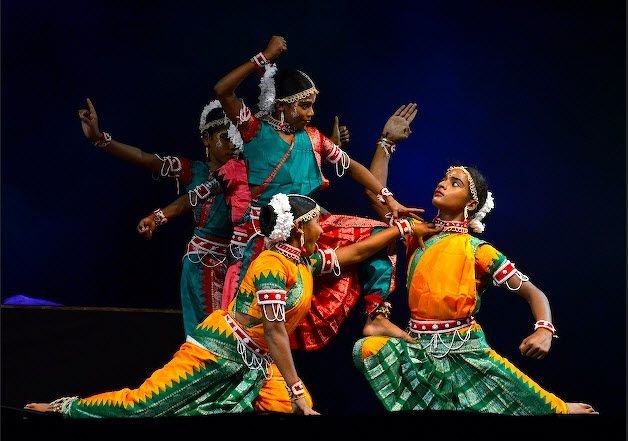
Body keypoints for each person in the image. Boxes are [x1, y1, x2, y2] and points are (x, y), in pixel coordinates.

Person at [24, 193, 439, 417]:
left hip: (256, 362)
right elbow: (276, 331)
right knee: (145, 405)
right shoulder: (272, 264)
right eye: (315, 218)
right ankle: (64, 409)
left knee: (291, 416)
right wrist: (296, 388)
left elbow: (354, 254)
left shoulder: (304, 261)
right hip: (217, 350)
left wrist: (401, 228)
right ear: (298, 228)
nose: (321, 223)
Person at [213, 35, 424, 351]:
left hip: (309, 230)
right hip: (263, 238)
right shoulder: (254, 129)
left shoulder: (314, 138)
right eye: (305, 105)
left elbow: (352, 167)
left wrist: (390, 199)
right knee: (249, 332)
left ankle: (377, 314)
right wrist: (263, 57)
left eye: (313, 105)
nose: (312, 112)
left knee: (382, 235)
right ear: (283, 105)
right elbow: (222, 90)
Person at [353, 157, 598, 415]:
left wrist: (544, 330)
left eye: (454, 183)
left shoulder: (478, 251)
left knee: (534, 402)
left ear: (471, 204)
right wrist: (386, 144)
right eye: (444, 179)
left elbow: (533, 293)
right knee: (367, 350)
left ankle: (559, 409)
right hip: (418, 348)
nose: (443, 184)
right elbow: (373, 192)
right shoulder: (419, 234)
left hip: (465, 350)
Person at [79, 98, 250, 335]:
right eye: (225, 137)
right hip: (203, 264)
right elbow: (145, 158)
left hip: (238, 264)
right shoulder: (194, 171)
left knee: (240, 339)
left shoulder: (247, 172)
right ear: (206, 139)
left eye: (236, 138)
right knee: (211, 339)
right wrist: (99, 139)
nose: (233, 145)